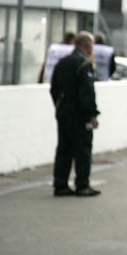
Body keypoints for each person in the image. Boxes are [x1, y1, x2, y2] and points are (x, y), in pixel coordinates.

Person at [49, 31, 101, 197]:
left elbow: (53, 88)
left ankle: (60, 185)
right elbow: (87, 92)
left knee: (64, 149)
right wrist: (92, 114)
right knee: (83, 149)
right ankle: (82, 185)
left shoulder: (62, 63)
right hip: (79, 115)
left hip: (63, 112)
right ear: (87, 46)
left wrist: (59, 105)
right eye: (91, 47)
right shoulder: (83, 64)